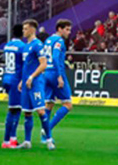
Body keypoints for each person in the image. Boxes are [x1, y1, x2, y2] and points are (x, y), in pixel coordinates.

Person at [18, 19, 52, 150]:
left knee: (41, 111)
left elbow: (44, 64)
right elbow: (27, 66)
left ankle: (49, 139)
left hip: (36, 82)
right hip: (27, 83)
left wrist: (32, 77)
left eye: (26, 28)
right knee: (27, 112)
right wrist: (23, 80)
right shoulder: (26, 46)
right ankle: (27, 141)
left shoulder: (38, 45)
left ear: (32, 29)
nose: (23, 31)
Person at [42, 19, 73, 149]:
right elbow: (55, 57)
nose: (69, 32)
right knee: (68, 104)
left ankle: (44, 138)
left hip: (46, 73)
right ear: (59, 29)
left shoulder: (48, 40)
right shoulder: (59, 41)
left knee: (49, 104)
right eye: (67, 29)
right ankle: (47, 129)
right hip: (55, 73)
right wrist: (60, 75)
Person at [2, 24, 26, 148]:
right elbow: (24, 65)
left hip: (7, 77)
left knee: (13, 108)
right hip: (16, 79)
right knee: (15, 109)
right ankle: (8, 140)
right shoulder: (22, 47)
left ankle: (11, 138)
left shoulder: (7, 45)